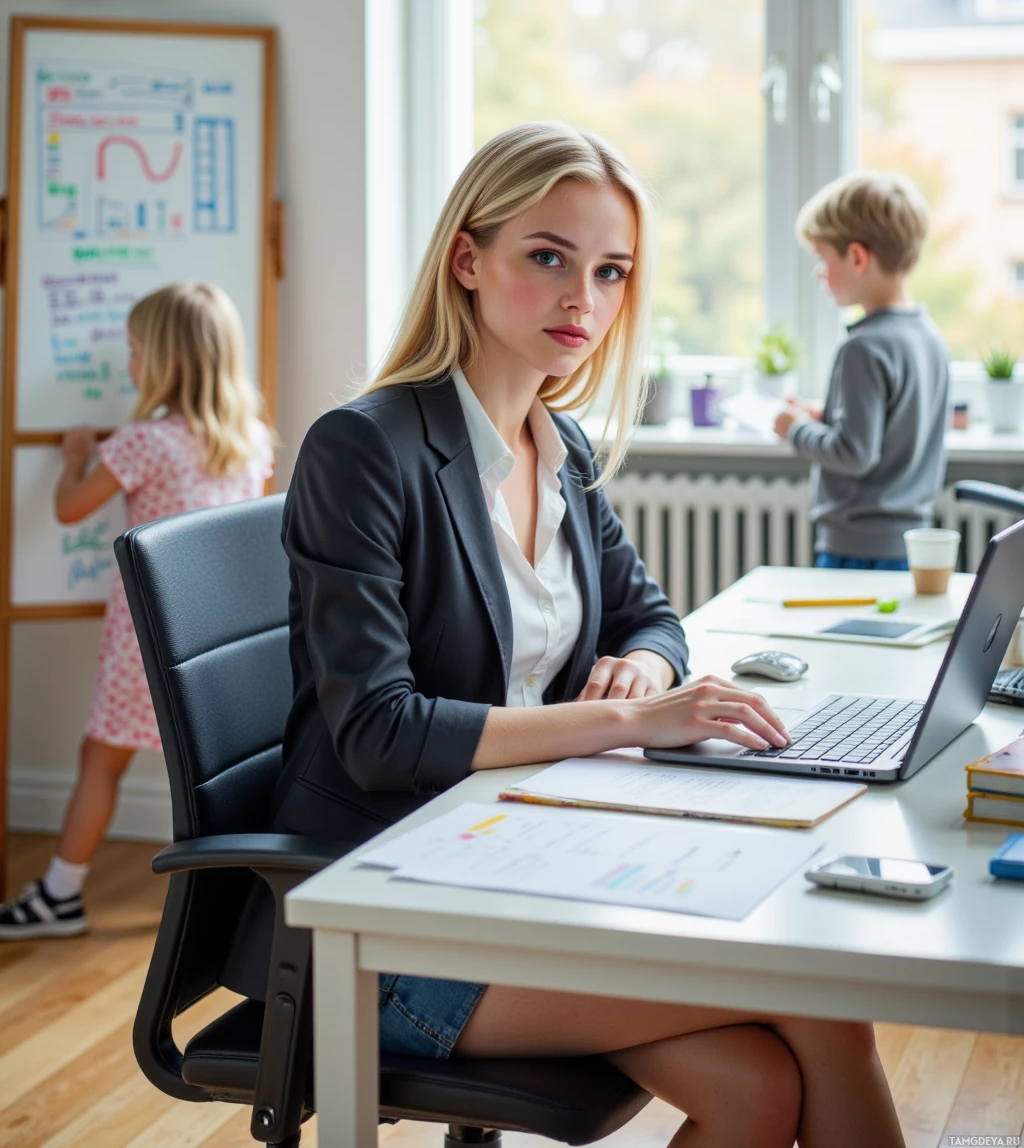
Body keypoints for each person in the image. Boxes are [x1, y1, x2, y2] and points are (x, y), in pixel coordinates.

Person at [231, 123, 903, 1148]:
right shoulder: (365, 450)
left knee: (763, 1086)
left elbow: (652, 617)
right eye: (546, 257)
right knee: (817, 1003)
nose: (580, 298)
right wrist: (628, 719)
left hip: (522, 860)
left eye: (610, 271)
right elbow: (379, 732)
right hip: (373, 910)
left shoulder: (562, 442)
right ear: (469, 259)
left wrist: (641, 664)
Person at [0, 283, 274, 940]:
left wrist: (73, 461)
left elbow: (71, 509)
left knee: (101, 761)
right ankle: (241, 897)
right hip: (218, 638)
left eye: (133, 350)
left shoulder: (142, 442)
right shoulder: (251, 439)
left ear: (163, 361)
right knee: (222, 771)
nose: (128, 362)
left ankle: (60, 894)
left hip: (146, 639)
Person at [774, 169, 949, 571]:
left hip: (857, 549)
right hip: (908, 546)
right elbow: (891, 429)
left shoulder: (863, 348)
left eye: (822, 258)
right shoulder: (928, 337)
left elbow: (855, 454)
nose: (818, 272)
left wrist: (793, 428)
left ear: (856, 257)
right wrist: (824, 415)